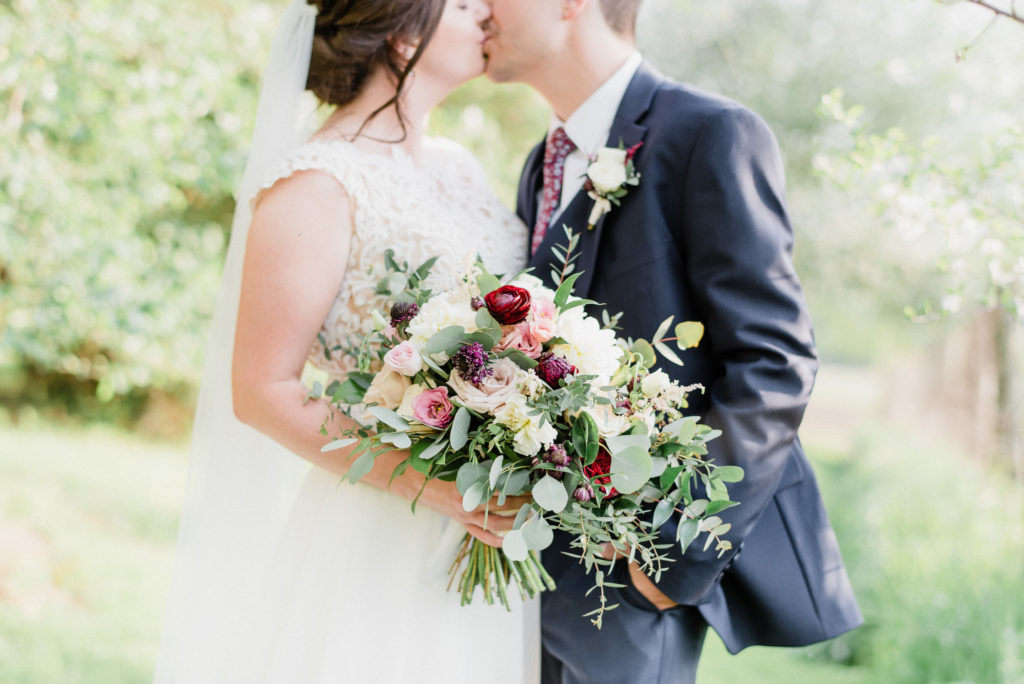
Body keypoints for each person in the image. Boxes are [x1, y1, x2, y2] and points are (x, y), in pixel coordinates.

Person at [154, 1, 539, 682]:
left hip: (484, 530)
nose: (486, 9)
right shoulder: (316, 183)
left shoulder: (460, 168)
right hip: (379, 526)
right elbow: (262, 391)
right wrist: (434, 487)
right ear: (401, 31)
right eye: (461, 2)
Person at [482, 0, 863, 682]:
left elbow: (774, 362)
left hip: (632, 581)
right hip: (528, 569)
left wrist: (675, 552)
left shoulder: (711, 133)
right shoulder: (543, 162)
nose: (478, 8)